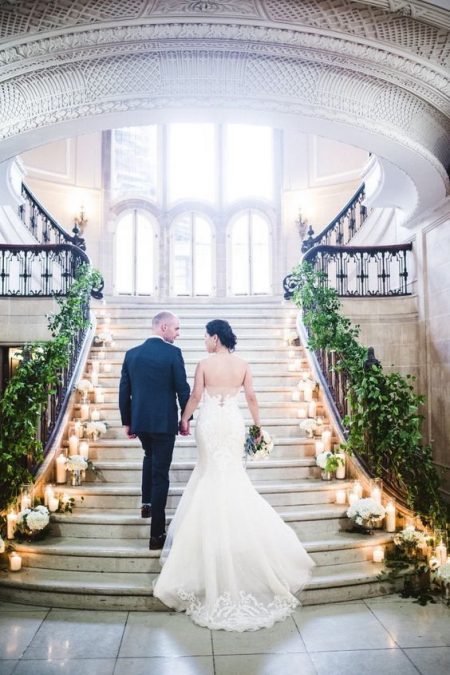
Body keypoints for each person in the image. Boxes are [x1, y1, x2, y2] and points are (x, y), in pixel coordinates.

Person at [153, 319, 315, 631]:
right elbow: (252, 397)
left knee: (209, 476)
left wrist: (184, 419)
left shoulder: (204, 363)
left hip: (211, 424)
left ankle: (210, 555)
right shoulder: (242, 364)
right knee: (231, 478)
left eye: (205, 336)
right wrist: (258, 426)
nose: (203, 341)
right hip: (232, 424)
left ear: (215, 338)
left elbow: (197, 396)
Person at [119, 311, 190, 550]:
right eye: (176, 329)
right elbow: (182, 388)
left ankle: (146, 502)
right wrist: (185, 418)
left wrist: (127, 422)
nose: (178, 334)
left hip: (141, 422)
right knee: (161, 474)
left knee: (149, 456)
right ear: (164, 328)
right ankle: (156, 534)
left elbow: (124, 391)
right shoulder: (173, 354)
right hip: (163, 423)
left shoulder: (132, 354)